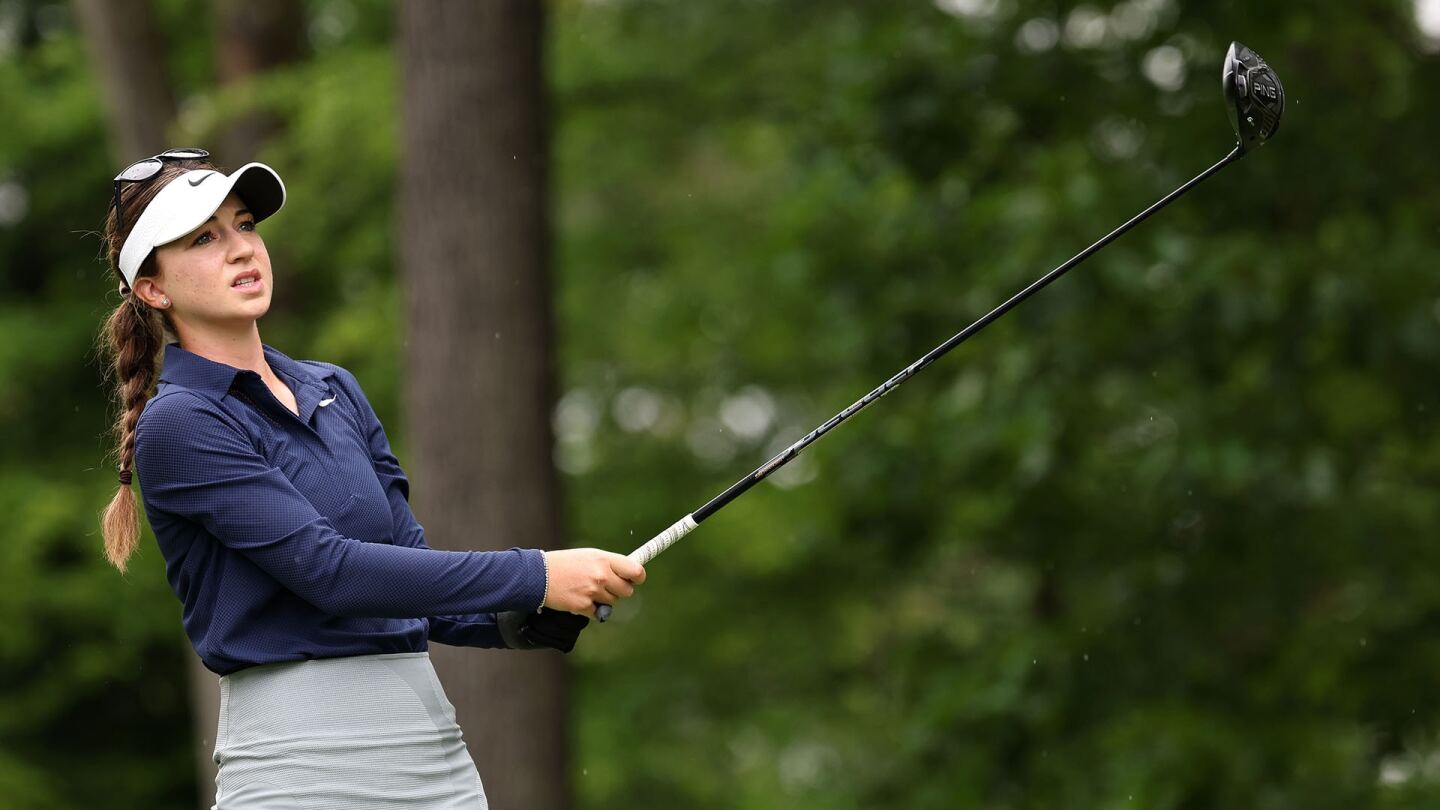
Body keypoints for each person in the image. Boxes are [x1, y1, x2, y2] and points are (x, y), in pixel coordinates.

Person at [96, 148, 645, 808]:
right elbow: (331, 572)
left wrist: (520, 617)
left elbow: (404, 569)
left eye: (245, 225)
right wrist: (537, 572)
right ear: (152, 289)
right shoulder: (182, 423)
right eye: (204, 239)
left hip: (432, 753)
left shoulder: (334, 388)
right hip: (298, 767)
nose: (242, 249)